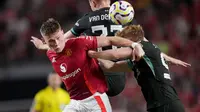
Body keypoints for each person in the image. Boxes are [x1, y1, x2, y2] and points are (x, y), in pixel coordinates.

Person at [31, 0, 188, 97]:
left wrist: (42, 45)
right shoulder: (124, 18)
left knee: (78, 47)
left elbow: (60, 42)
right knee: (135, 50)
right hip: (118, 78)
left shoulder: (85, 20)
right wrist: (169, 58)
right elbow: (147, 45)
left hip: (94, 77)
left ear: (92, 3)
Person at [31, 18, 144, 112]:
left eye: (58, 38)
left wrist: (134, 44)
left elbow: (110, 40)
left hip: (95, 100)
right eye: (51, 41)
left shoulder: (79, 43)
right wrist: (41, 46)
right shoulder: (50, 52)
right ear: (45, 40)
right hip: (75, 103)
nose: (56, 44)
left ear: (62, 32)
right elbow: (51, 47)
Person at [88, 25, 190, 112]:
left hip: (166, 105)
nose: (122, 45)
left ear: (133, 38)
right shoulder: (141, 59)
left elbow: (115, 55)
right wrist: (92, 58)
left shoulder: (143, 46)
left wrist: (93, 54)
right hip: (159, 105)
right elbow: (111, 66)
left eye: (124, 40)